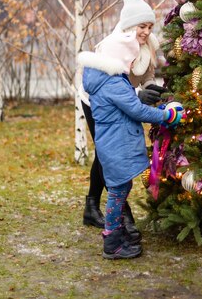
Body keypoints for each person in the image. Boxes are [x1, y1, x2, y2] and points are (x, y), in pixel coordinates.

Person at [78, 30, 183, 259]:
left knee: (122, 189)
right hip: (116, 146)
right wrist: (166, 116)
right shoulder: (113, 84)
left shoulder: (111, 79)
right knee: (117, 192)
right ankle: (112, 242)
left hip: (116, 143)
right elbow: (136, 110)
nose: (135, 62)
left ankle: (117, 231)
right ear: (121, 58)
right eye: (132, 59)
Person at [80, 0, 167, 238]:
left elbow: (147, 73)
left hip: (126, 100)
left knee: (105, 152)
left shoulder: (148, 43)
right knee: (108, 153)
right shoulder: (113, 46)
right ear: (130, 26)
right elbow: (110, 86)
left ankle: (91, 207)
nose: (146, 31)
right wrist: (137, 96)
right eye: (142, 26)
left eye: (150, 27)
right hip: (97, 101)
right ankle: (122, 216)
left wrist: (150, 88)